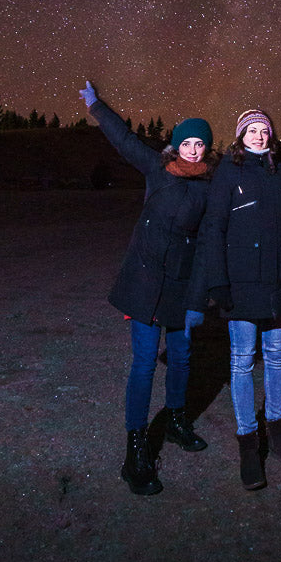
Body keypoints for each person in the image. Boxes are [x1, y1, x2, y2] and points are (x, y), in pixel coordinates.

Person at [79, 80, 215, 497]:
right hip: (144, 280)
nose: (192, 149)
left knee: (181, 355)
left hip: (181, 283)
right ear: (176, 145)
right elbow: (125, 140)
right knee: (142, 363)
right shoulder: (158, 168)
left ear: (207, 148)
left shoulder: (212, 184)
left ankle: (175, 421)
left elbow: (217, 234)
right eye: (186, 142)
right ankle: (135, 449)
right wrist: (96, 105)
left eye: (199, 143)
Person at [201, 108, 281, 490]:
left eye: (264, 130)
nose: (258, 136)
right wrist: (218, 282)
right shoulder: (228, 173)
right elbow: (213, 228)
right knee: (243, 359)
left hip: (279, 281)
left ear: (272, 136)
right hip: (242, 282)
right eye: (251, 130)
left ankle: (277, 429)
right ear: (240, 136)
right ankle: (249, 441)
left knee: (278, 354)